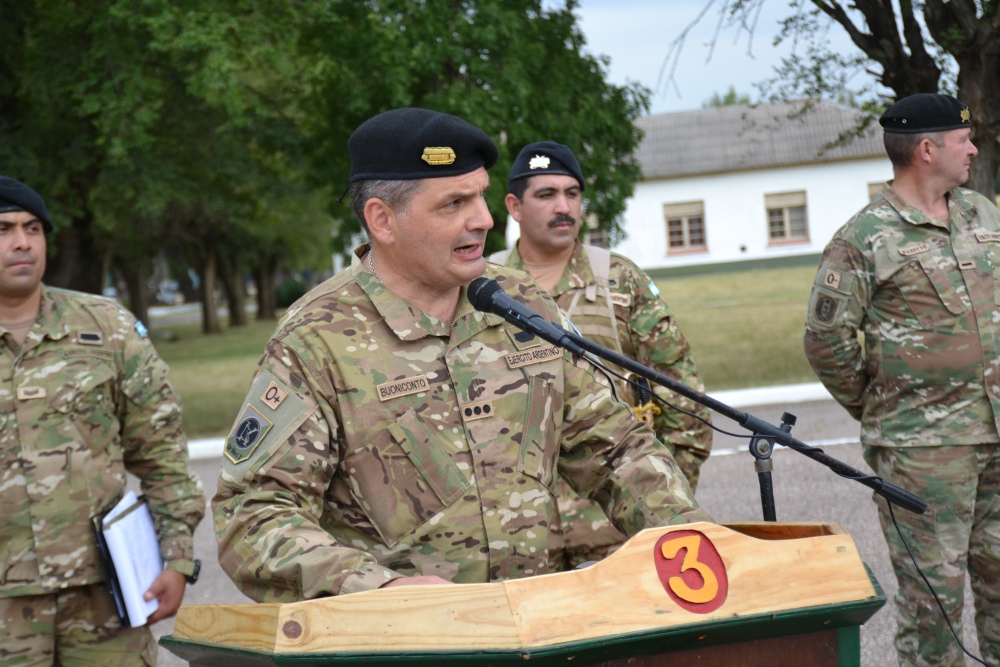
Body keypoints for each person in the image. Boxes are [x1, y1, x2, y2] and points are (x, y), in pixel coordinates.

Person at [213, 108, 710, 603]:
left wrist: (690, 538)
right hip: (405, 645)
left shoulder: (522, 304)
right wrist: (381, 589)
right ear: (382, 220)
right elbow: (253, 515)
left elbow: (615, 448)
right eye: (453, 204)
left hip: (539, 627)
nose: (485, 219)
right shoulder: (316, 341)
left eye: (481, 195)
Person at [803, 93, 1000, 667]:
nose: (974, 149)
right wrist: (885, 411)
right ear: (927, 149)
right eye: (964, 140)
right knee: (934, 610)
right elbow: (826, 343)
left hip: (996, 439)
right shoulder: (863, 238)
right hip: (922, 452)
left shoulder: (982, 214)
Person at [0, 176, 206, 665]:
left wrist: (177, 558)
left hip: (105, 597)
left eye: (33, 228)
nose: (22, 242)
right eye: (3, 229)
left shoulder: (105, 328)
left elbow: (161, 452)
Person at [489, 141, 712, 569]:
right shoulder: (485, 288)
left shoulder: (618, 281)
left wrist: (667, 498)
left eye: (572, 194)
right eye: (547, 194)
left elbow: (684, 398)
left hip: (614, 524)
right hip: (517, 531)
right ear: (514, 206)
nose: (564, 207)